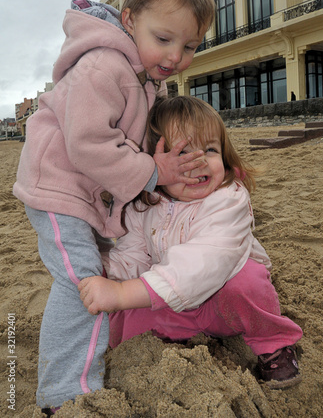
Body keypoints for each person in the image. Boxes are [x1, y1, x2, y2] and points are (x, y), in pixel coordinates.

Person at [13, 0, 215, 413]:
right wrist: (151, 172)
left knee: (105, 267)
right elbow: (87, 142)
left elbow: (142, 141)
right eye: (163, 39)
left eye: (190, 46)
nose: (174, 57)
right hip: (57, 189)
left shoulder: (146, 78)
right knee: (82, 283)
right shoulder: (104, 65)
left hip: (89, 194)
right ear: (129, 19)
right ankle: (65, 397)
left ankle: (116, 341)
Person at [79, 95, 303, 390]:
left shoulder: (228, 198)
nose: (199, 162)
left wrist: (122, 292)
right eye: (183, 153)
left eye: (210, 149)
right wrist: (107, 271)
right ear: (152, 163)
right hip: (177, 304)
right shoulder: (143, 206)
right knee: (126, 324)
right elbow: (133, 255)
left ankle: (273, 344)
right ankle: (181, 343)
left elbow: (204, 262)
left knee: (247, 283)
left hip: (224, 305)